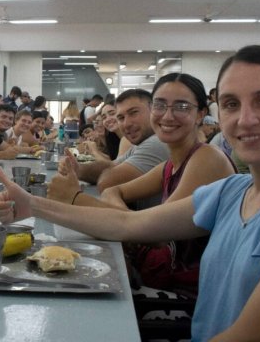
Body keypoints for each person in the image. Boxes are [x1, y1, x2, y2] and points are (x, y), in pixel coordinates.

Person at [0, 45, 260, 341]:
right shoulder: (232, 192)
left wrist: (67, 198)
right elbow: (131, 224)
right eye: (231, 104)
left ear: (202, 113)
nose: (245, 119)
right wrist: (33, 205)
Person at [53, 73, 237, 291]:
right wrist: (128, 221)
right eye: (160, 105)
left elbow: (156, 234)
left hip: (185, 295)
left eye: (181, 106)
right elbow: (113, 191)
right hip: (158, 273)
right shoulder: (171, 164)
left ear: (201, 114)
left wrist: (73, 197)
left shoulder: (207, 159)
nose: (168, 116)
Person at [60, 89, 170, 197]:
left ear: (154, 111)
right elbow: (112, 165)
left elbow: (107, 182)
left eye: (133, 113)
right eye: (121, 117)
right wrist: (77, 169)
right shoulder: (138, 146)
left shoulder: (156, 143)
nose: (126, 124)